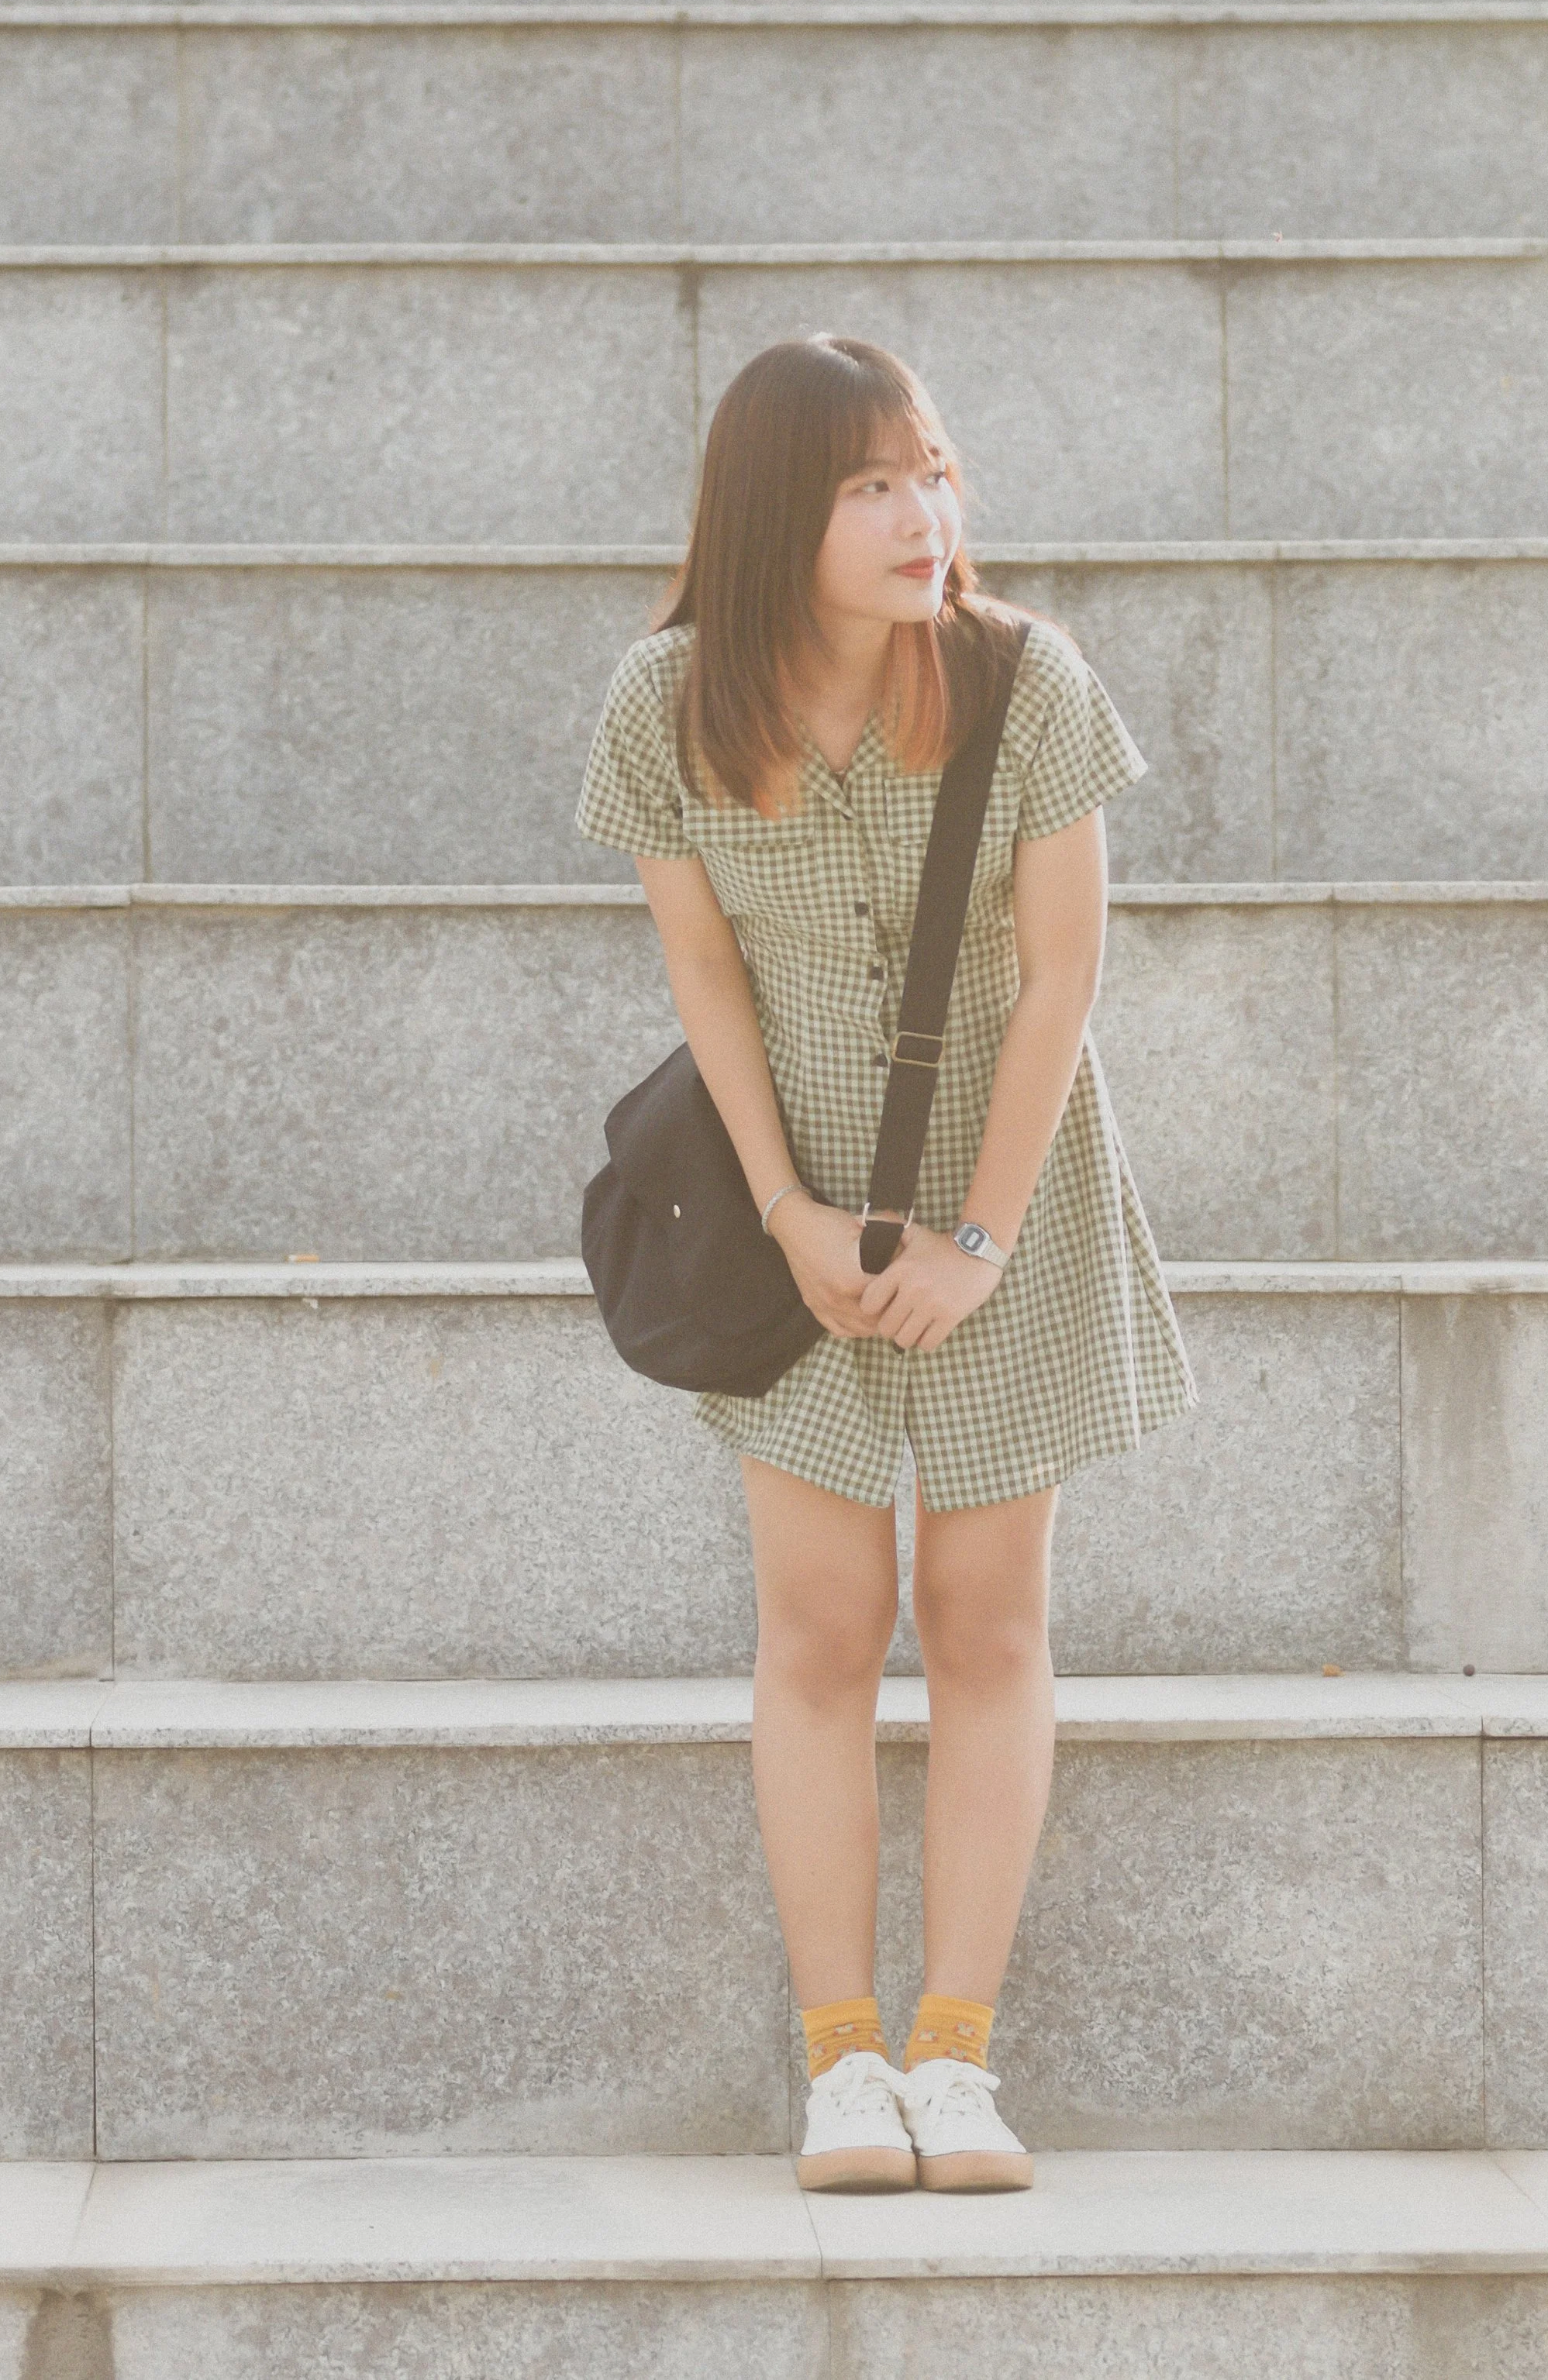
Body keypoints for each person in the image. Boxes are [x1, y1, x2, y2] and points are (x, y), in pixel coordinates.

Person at [574, 333, 1195, 2193]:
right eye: (869, 483)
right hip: (799, 1227)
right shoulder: (666, 702)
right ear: (780, 508)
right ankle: (840, 2060)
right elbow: (702, 976)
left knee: (989, 1620)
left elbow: (1062, 981)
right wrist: (781, 1211)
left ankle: (957, 2053)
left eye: (932, 470)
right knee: (823, 1625)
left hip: (1012, 1209)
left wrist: (978, 1240)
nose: (923, 514)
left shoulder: (1024, 682)